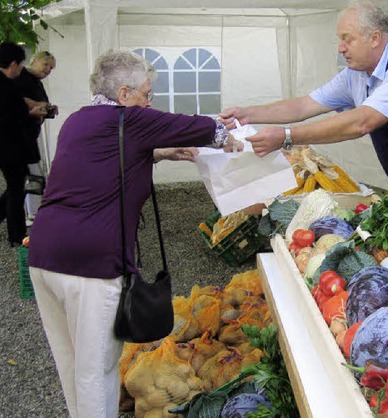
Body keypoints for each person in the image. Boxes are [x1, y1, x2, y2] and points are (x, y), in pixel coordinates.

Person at [27, 49, 242, 418]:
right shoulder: (128, 117)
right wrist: (236, 136)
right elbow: (201, 127)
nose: (149, 101)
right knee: (97, 371)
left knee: (71, 362)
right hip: (91, 264)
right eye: (146, 93)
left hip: (45, 257)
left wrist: (159, 154)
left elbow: (108, 156)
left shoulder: (80, 121)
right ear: (124, 94)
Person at [220, 0, 388, 246]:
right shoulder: (355, 75)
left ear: (374, 38)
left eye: (347, 39)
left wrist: (287, 136)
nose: (340, 48)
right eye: (340, 39)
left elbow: (362, 122)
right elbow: (304, 105)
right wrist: (247, 114)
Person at [0, 42, 47, 247]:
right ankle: (17, 236)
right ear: (13, 64)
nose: (20, 69)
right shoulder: (7, 86)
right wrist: (33, 115)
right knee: (16, 189)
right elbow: (13, 117)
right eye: (20, 65)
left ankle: (15, 232)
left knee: (14, 188)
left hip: (7, 145)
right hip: (9, 146)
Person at [14, 50, 58, 222]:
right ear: (34, 61)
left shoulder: (37, 83)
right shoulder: (21, 78)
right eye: (46, 64)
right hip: (20, 135)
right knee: (31, 174)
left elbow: (42, 107)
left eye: (51, 68)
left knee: (30, 174)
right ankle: (32, 212)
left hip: (30, 134)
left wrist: (49, 109)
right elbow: (18, 100)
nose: (48, 70)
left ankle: (32, 211)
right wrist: (39, 106)